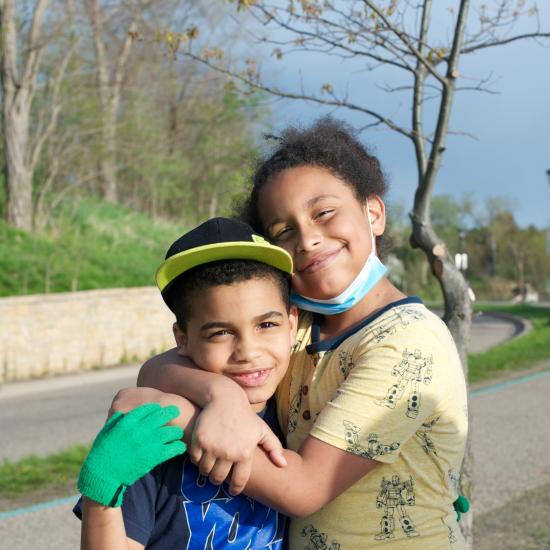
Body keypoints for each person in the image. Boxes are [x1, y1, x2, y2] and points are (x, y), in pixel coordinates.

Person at [119, 117, 468, 548]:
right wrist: (220, 397)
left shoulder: (409, 342)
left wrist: (185, 420)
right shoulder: (295, 326)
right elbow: (156, 370)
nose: (307, 239)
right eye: (283, 231)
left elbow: (304, 489)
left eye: (324, 213)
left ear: (373, 213)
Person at [74, 217, 298, 549]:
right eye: (221, 332)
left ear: (292, 324)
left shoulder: (299, 412)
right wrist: (100, 491)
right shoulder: (153, 434)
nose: (248, 352)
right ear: (182, 338)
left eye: (266, 324)